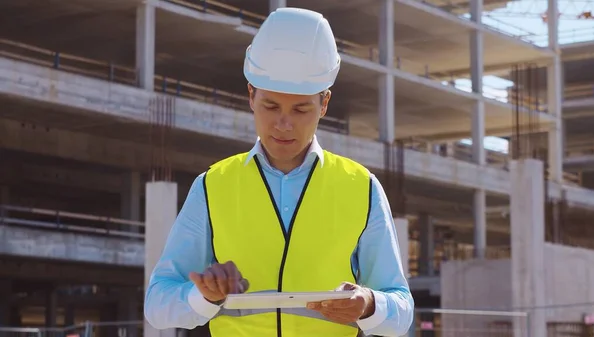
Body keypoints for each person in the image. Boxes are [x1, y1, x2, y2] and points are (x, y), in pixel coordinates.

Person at [144, 7, 414, 337]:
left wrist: (370, 304)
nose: (283, 124)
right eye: (271, 106)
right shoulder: (213, 186)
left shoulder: (362, 188)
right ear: (251, 96)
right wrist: (203, 296)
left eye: (301, 109)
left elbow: (402, 308)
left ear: (324, 103)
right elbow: (157, 304)